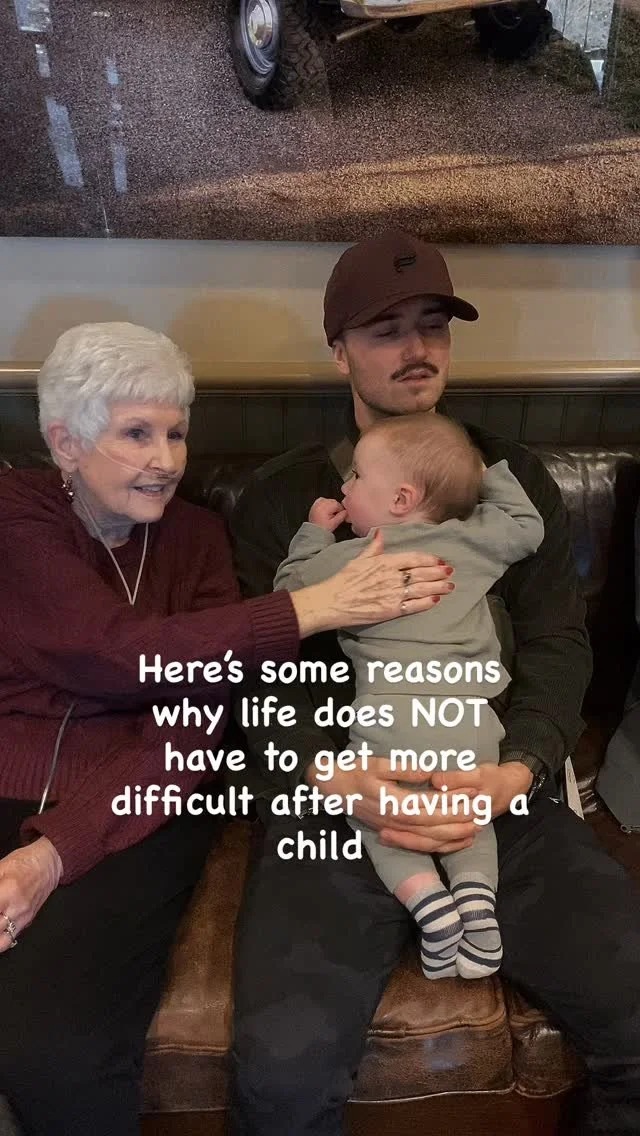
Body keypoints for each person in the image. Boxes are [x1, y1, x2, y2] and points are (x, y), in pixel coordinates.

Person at [229, 229, 640, 1135]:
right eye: (386, 330)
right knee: (281, 1081)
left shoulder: (506, 482)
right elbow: (259, 675)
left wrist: (516, 772)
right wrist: (338, 778)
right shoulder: (288, 501)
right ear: (339, 351)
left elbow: (558, 645)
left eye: (433, 325)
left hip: (492, 786)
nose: (417, 348)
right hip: (336, 806)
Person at [0, 320, 448, 1136]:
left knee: (56, 1051)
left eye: (176, 433)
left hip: (135, 799)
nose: (167, 460)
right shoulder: (17, 514)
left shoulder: (201, 538)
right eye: (137, 434)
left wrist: (51, 854)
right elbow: (113, 652)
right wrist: (310, 607)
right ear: (66, 443)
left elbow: (190, 726)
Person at [273, 412, 544, 981]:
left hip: (392, 722)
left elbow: (288, 591)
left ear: (400, 499)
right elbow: (526, 525)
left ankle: (429, 905)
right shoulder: (474, 539)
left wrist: (315, 533)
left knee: (378, 818)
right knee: (469, 815)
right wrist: (479, 471)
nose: (344, 487)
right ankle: (477, 904)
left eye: (354, 476)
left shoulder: (356, 557)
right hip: (471, 722)